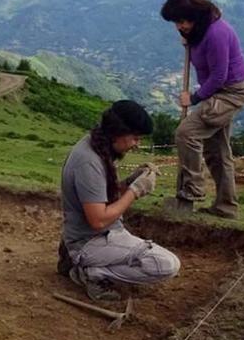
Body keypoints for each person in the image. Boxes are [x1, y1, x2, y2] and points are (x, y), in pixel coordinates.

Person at [57, 100, 180, 301]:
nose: (136, 144)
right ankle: (91, 272)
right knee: (167, 265)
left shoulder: (96, 146)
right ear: (118, 132)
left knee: (156, 259)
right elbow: (97, 219)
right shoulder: (88, 162)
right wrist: (135, 191)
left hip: (101, 234)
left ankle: (85, 263)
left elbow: (100, 195)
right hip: (91, 240)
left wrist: (130, 180)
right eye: (135, 138)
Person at [160, 0, 244, 219]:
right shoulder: (199, 30)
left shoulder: (216, 33)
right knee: (217, 152)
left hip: (230, 92)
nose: (179, 26)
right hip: (218, 92)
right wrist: (188, 40)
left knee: (186, 133)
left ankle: (192, 190)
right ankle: (226, 207)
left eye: (181, 21)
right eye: (176, 22)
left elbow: (219, 76)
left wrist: (193, 98)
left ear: (194, 14)